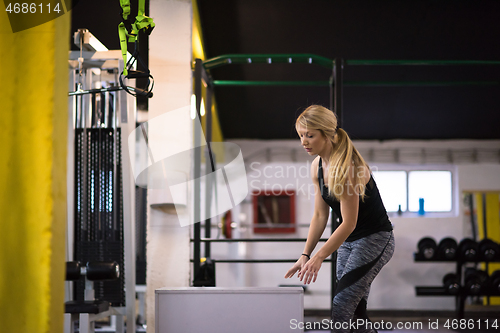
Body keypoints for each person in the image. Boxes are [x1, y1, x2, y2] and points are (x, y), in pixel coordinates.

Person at [284, 105, 395, 333]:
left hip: (375, 239)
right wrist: (306, 254)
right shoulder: (317, 166)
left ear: (327, 134)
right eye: (301, 135)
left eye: (310, 135)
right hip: (349, 240)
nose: (304, 142)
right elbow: (319, 215)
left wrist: (319, 257)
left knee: (342, 304)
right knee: (356, 311)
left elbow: (349, 222)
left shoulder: (347, 167)